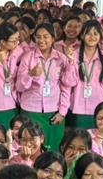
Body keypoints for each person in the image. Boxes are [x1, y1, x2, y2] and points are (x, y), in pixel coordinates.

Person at [16, 23, 70, 152]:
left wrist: (62, 111)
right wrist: (30, 74)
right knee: (32, 150)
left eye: (46, 37)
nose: (41, 40)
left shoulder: (61, 58)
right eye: (38, 37)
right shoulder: (28, 57)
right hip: (31, 110)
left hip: (54, 112)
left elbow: (66, 86)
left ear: (53, 38)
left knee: (53, 151)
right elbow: (19, 87)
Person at [65, 20, 103, 126]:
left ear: (100, 36)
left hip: (100, 107)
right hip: (79, 106)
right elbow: (70, 82)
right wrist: (70, 62)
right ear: (82, 35)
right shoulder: (74, 55)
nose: (92, 37)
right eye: (88, 33)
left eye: (95, 34)